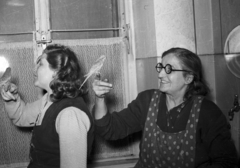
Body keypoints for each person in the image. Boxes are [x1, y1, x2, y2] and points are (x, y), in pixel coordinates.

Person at [92, 47, 238, 168]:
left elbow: (226, 162)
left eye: (169, 69)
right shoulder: (147, 101)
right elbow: (110, 129)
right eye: (161, 67)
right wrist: (99, 99)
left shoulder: (207, 112)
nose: (161, 74)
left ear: (188, 78)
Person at [1, 44, 94, 168]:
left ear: (56, 72)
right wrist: (11, 99)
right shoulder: (49, 99)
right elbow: (21, 116)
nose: (35, 69)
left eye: (41, 64)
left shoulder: (70, 114)